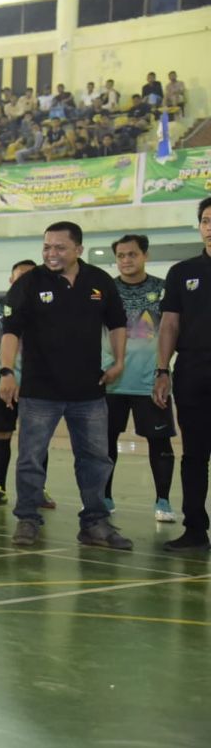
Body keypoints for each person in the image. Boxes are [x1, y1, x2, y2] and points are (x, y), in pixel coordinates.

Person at [0, 220, 130, 550]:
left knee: (96, 459)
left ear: (78, 250)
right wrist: (6, 371)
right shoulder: (29, 283)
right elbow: (11, 330)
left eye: (59, 247)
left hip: (89, 390)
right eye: (46, 246)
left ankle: (95, 524)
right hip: (40, 391)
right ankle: (28, 519)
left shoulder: (99, 281)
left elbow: (116, 322)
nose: (51, 253)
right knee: (31, 457)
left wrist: (119, 361)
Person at [101, 235, 175, 521]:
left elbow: (173, 329)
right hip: (111, 382)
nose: (126, 260)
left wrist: (162, 370)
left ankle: (163, 502)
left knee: (160, 443)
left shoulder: (163, 289)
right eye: (120, 256)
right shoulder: (104, 291)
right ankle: (104, 498)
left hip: (151, 383)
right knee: (104, 444)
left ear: (145, 255)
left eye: (132, 254)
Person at [0, 260, 58, 508]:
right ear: (11, 280)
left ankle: (37, 490)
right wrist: (4, 372)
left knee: (37, 440)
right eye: (19, 277)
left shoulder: (50, 308)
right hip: (1, 386)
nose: (24, 282)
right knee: (1, 435)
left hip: (37, 386)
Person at [153, 197, 211, 551]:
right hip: (192, 370)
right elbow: (169, 325)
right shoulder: (182, 272)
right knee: (194, 454)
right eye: (206, 220)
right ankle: (195, 529)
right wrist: (162, 370)